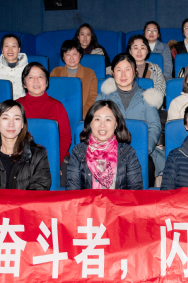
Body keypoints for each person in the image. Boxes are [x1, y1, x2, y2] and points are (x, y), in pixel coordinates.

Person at [97, 53, 165, 181]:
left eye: (127, 69)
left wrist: (144, 149)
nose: (123, 74)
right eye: (119, 70)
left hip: (141, 150)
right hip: (109, 150)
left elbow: (154, 126)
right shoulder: (104, 97)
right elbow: (95, 125)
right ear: (112, 73)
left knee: (147, 166)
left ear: (135, 71)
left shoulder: (147, 96)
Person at [0, 100, 51, 190]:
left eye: (16, 119)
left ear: (22, 124)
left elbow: (38, 193)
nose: (11, 124)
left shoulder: (38, 155)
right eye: (5, 118)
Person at [67, 100, 143, 190]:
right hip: (87, 200)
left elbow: (135, 191)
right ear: (90, 123)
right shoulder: (78, 152)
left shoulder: (127, 153)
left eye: (108, 119)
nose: (102, 125)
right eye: (97, 119)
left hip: (119, 199)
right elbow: (72, 191)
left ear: (116, 124)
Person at [16, 62, 71, 165]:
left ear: (46, 82)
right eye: (31, 77)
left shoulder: (57, 106)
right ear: (24, 84)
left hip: (55, 157)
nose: (36, 80)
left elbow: (65, 137)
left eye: (40, 76)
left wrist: (55, 163)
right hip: (23, 159)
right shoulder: (16, 106)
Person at [50, 39, 97, 118]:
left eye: (74, 54)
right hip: (58, 114)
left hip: (81, 115)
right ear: (63, 57)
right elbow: (51, 95)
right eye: (68, 54)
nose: (71, 58)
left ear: (80, 55)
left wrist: (83, 114)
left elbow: (93, 97)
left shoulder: (90, 73)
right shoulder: (56, 72)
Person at [0, 34, 29, 99]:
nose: (10, 50)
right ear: (2, 50)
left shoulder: (28, 69)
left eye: (14, 46)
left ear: (19, 49)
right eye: (6, 46)